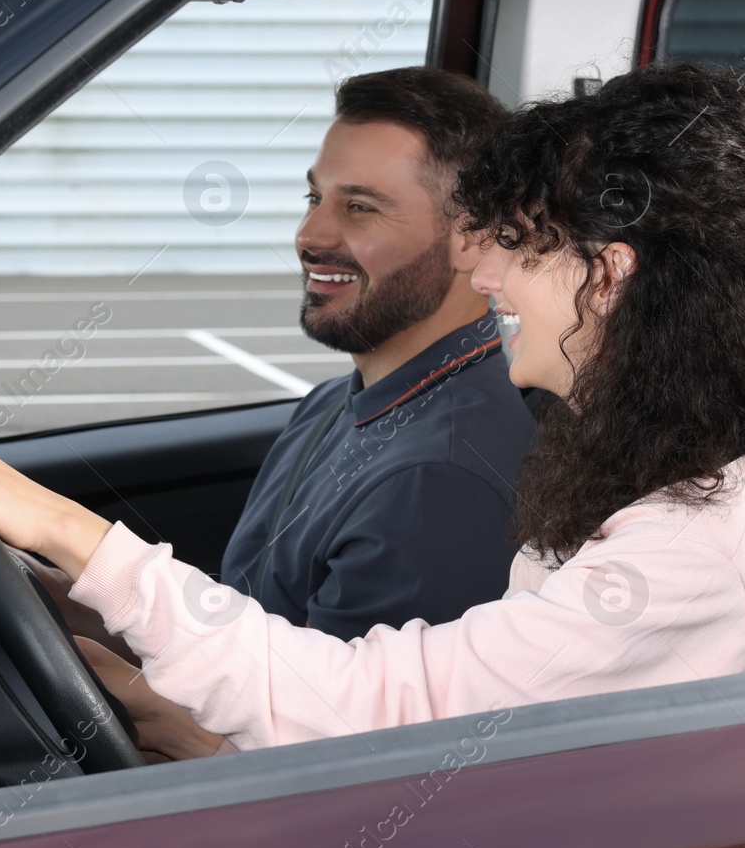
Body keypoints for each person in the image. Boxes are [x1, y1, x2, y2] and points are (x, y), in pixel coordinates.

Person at [0, 59, 745, 759]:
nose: (485, 270)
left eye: (518, 240)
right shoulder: (657, 486)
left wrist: (61, 527)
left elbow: (375, 715)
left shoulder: (694, 545)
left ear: (607, 277)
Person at [35, 66, 535, 648]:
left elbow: (327, 723)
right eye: (315, 197)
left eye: (360, 208)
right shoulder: (335, 403)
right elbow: (256, 637)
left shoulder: (441, 479)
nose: (310, 234)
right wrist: (64, 609)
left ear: (473, 238)